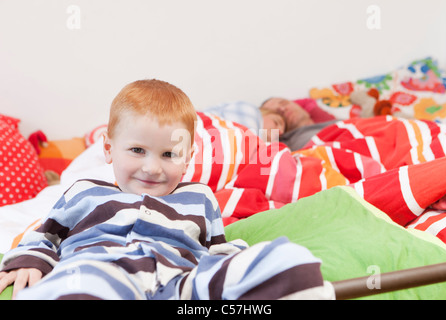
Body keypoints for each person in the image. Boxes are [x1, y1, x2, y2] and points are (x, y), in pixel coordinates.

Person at [0, 79, 333, 300]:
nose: (152, 167)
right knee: (81, 286)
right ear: (108, 149)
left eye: (169, 154)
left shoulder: (200, 197)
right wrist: (31, 260)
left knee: (292, 262)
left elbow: (216, 249)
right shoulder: (83, 191)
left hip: (178, 284)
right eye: (137, 151)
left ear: (187, 159)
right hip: (102, 268)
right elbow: (45, 235)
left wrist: (236, 263)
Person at [260, 97, 338, 150]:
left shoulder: (336, 123)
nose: (282, 109)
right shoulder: (289, 144)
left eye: (284, 103)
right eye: (277, 112)